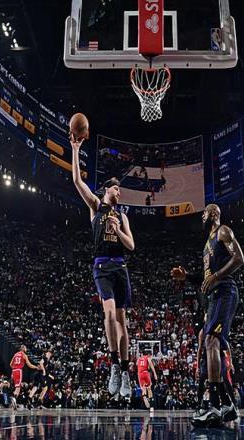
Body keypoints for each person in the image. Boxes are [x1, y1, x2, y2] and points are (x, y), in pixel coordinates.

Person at [71, 133, 135, 398]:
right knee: (108, 315)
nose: (120, 192)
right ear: (108, 189)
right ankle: (114, 364)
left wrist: (118, 230)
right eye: (117, 189)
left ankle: (125, 370)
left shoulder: (122, 217)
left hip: (120, 266)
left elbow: (131, 246)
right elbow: (77, 181)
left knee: (122, 322)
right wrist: (75, 149)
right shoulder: (96, 207)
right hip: (101, 267)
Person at [172, 204, 244, 427]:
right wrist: (187, 277)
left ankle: (213, 405)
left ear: (213, 213)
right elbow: (206, 279)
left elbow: (239, 258)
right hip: (214, 295)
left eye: (204, 213)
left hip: (225, 290)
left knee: (211, 340)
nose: (202, 216)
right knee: (213, 346)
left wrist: (217, 276)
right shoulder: (207, 244)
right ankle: (227, 404)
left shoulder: (223, 231)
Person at [9, 344, 40, 409]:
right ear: (23, 348)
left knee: (17, 386)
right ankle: (14, 397)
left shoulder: (15, 354)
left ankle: (14, 400)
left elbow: (11, 364)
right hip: (19, 370)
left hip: (13, 371)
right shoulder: (24, 355)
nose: (26, 349)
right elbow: (29, 365)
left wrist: (14, 368)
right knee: (18, 386)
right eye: (25, 348)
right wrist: (36, 367)